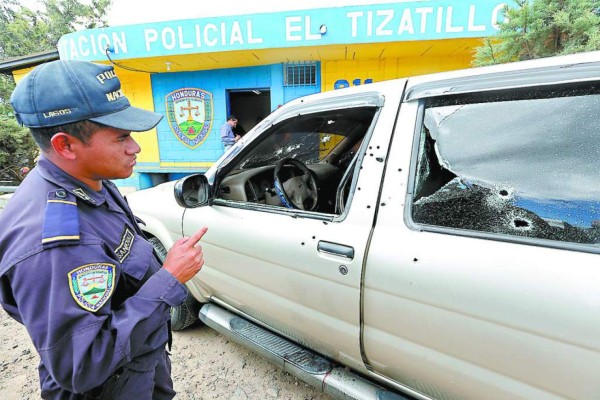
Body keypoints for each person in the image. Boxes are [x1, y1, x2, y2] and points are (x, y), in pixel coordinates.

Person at [0, 60, 208, 399]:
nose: (135, 147)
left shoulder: (90, 181)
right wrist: (169, 278)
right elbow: (81, 365)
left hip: (137, 368)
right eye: (122, 137)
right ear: (65, 145)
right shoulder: (57, 242)